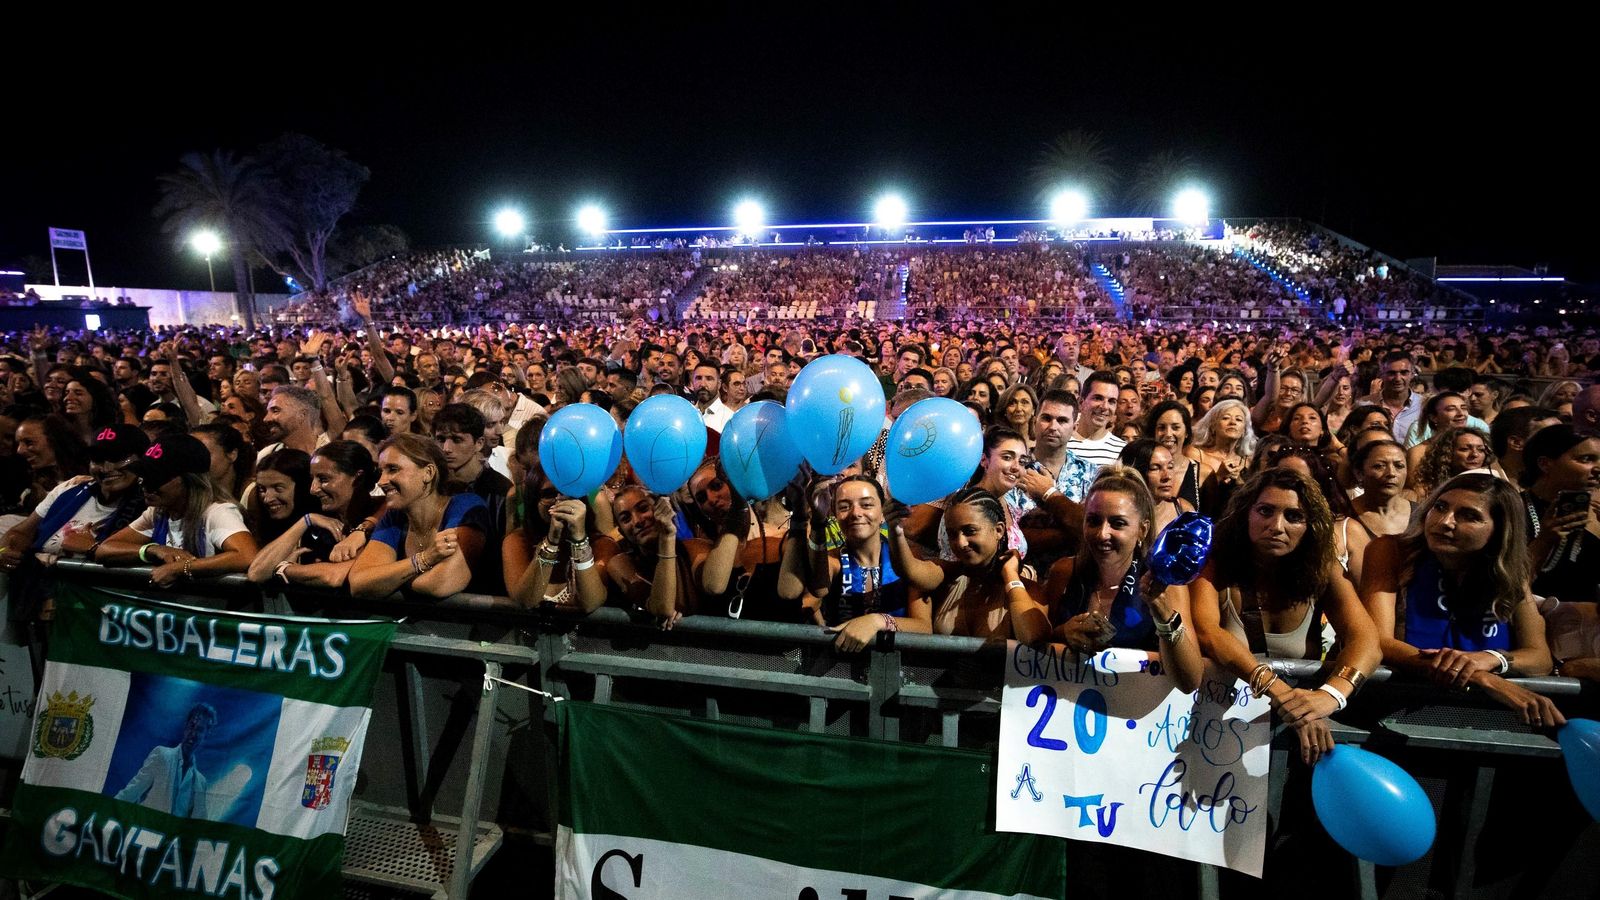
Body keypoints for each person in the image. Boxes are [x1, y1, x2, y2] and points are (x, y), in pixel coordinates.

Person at [1190, 468, 1383, 765]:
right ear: (1245, 514)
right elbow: (1208, 633)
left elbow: (1367, 640)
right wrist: (1280, 692)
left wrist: (1327, 698)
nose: (1276, 526)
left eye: (1294, 516)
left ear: (1311, 526)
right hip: (1215, 730)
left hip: (1295, 735)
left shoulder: (1324, 569)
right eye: (1265, 511)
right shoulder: (1215, 562)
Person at [1361, 473, 1564, 727]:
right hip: (1398, 709)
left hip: (1484, 718)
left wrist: (1490, 658)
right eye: (1440, 507)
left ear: (1499, 529)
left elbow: (1539, 657)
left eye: (1469, 516)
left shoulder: (1511, 571)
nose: (1445, 522)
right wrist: (1480, 676)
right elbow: (1379, 641)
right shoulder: (1391, 551)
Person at [1041, 467, 1205, 692]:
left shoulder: (1163, 585)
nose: (1102, 533)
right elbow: (1036, 645)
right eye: (1094, 521)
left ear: (1142, 530)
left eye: (1117, 523)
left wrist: (1164, 615)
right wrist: (1062, 633)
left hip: (1133, 718)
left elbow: (1190, 681)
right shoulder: (1064, 572)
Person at [787, 474, 941, 650]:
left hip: (894, 668)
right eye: (844, 507)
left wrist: (877, 621)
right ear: (835, 515)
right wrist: (818, 522)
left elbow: (924, 627)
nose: (855, 513)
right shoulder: (833, 559)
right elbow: (818, 589)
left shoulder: (907, 559)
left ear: (883, 513)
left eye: (866, 505)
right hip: (840, 669)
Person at [95, 434, 258, 585]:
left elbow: (246, 555)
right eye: (144, 475)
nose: (145, 484)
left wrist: (182, 568)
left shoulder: (216, 512)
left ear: (189, 480)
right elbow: (105, 549)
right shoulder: (157, 512)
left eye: (156, 477)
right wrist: (153, 550)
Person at [349, 433, 489, 600]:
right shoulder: (394, 517)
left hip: (465, 623)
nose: (381, 481)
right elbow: (359, 584)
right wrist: (425, 559)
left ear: (428, 473)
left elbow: (440, 584)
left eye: (393, 469)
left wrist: (391, 579)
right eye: (381, 471)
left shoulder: (467, 505)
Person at [247, 441, 382, 589]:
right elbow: (256, 573)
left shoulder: (379, 520)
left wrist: (285, 569)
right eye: (313, 479)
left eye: (323, 479)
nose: (313, 489)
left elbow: (332, 576)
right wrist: (306, 521)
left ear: (358, 477)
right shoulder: (321, 522)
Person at [921, 487, 1049, 642]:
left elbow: (1032, 637)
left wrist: (1010, 575)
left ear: (999, 530)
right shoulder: (948, 578)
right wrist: (896, 530)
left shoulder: (1028, 588)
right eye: (952, 534)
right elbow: (910, 572)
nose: (961, 543)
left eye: (970, 531)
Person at [603, 485, 711, 625]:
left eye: (643, 509)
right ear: (622, 532)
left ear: (664, 509)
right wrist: (667, 538)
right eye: (626, 518)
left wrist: (668, 535)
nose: (637, 521)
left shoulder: (696, 549)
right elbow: (662, 608)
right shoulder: (620, 564)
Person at [1520, 424, 1600, 605]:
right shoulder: (1511, 510)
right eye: (1587, 459)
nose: (1598, 468)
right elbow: (1504, 584)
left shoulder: (1595, 513)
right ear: (1545, 463)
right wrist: (1543, 541)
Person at [114, 703, 218, 819]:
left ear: (206, 735)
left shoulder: (200, 782)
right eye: (192, 726)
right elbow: (132, 791)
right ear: (186, 726)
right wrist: (105, 811)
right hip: (143, 832)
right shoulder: (161, 755)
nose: (193, 733)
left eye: (199, 729)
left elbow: (199, 822)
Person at [1336, 438, 1413, 588]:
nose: (1391, 473)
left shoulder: (1423, 514)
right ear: (1359, 473)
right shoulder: (1343, 518)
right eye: (1379, 466)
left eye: (1399, 466)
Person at [1188, 399, 1255, 517]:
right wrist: (1217, 477)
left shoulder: (1249, 461)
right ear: (1213, 426)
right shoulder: (1195, 454)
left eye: (1239, 419)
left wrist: (1239, 481)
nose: (1232, 422)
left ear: (1244, 430)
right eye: (1225, 418)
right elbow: (1190, 496)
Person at [1119, 438, 1194, 535]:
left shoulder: (1184, 509)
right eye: (1155, 468)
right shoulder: (1120, 512)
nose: (1167, 476)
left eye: (1170, 467)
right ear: (1135, 472)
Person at [249, 449, 317, 546]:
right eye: (262, 489)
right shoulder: (262, 528)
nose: (267, 499)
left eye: (278, 488)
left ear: (303, 487)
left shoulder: (325, 530)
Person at [1145, 400, 1201, 509]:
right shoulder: (1141, 469)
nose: (1168, 434)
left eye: (1175, 427)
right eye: (1161, 428)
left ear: (1187, 433)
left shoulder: (1203, 473)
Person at [1068, 371, 1126, 470]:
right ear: (1081, 402)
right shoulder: (1061, 442)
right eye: (1098, 398)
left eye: (1112, 401)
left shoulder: (1122, 451)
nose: (1105, 407)